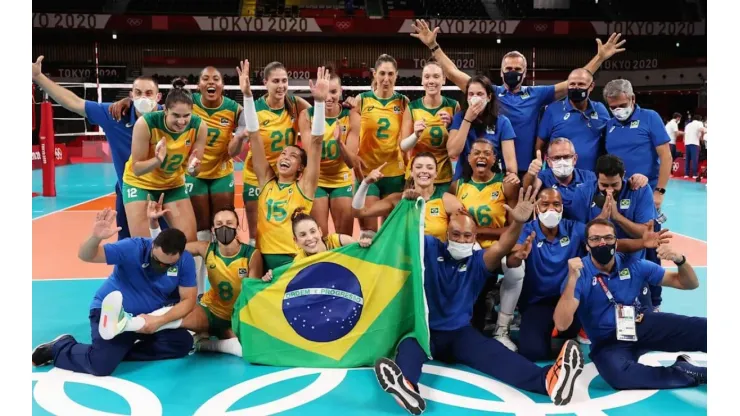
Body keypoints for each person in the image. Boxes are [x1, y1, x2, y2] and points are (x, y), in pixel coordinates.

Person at [373, 187, 586, 416]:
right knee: (408, 346)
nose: (461, 240)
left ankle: (548, 382)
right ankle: (406, 387)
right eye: (456, 234)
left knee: (497, 355)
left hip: (460, 335)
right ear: (446, 234)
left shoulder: (478, 261)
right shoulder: (430, 247)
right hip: (426, 332)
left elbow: (503, 246)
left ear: (474, 239)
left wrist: (517, 224)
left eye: (467, 236)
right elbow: (401, 236)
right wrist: (406, 208)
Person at [410, 19, 626, 178]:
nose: (513, 72)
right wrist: (433, 46)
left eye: (517, 69)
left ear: (524, 72)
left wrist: (600, 58)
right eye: (508, 68)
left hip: (522, 168)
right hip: (486, 168)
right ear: (502, 72)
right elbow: (454, 72)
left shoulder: (537, 94)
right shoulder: (487, 93)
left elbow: (575, 82)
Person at [503, 188, 671, 360]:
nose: (551, 210)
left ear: (562, 207)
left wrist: (642, 243)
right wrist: (518, 256)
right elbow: (511, 260)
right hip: (538, 302)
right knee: (533, 352)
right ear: (537, 207)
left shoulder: (572, 228)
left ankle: (580, 330)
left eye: (556, 204)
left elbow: (613, 243)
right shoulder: (526, 231)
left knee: (579, 333)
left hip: (574, 299)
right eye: (545, 205)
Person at [31, 208, 196, 376]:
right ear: (153, 245)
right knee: (100, 365)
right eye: (157, 261)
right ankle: (61, 346)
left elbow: (188, 300)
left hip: (145, 320)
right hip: (111, 315)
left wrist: (159, 320)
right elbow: (86, 255)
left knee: (182, 343)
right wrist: (95, 238)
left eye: (167, 265)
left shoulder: (186, 261)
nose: (161, 267)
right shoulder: (132, 248)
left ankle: (116, 352)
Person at [554, 219, 706, 390]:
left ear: (616, 243)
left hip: (641, 324)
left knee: (702, 328)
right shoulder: (579, 274)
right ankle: (686, 373)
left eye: (608, 238)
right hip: (607, 342)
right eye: (595, 239)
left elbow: (689, 283)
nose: (602, 243)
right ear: (587, 245)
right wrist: (572, 280)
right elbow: (561, 323)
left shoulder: (633, 265)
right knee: (619, 376)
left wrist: (680, 261)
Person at [31, 56, 166, 239]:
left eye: (149, 93)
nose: (143, 97)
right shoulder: (114, 115)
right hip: (129, 191)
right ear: (131, 95)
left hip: (164, 191)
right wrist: (38, 77)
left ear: (158, 97)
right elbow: (74, 102)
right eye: (138, 92)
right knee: (129, 248)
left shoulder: (172, 117)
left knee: (168, 245)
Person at [238, 60, 325, 271]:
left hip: (293, 261)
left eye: (293, 155)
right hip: (265, 263)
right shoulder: (266, 181)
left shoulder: (304, 188)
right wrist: (247, 96)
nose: (285, 156)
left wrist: (320, 103)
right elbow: (255, 136)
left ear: (301, 168)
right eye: (283, 153)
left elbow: (315, 142)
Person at [450, 138, 520, 348]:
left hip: (497, 248)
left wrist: (477, 230)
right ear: (469, 159)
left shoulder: (505, 186)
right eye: (476, 153)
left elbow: (513, 226)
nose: (481, 156)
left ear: (494, 159)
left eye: (487, 153)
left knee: (518, 270)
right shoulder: (458, 186)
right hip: (468, 248)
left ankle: (502, 327)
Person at [121, 77, 207, 244]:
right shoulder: (146, 123)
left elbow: (196, 169)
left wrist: (192, 169)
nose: (182, 121)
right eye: (176, 115)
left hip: (172, 185)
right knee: (144, 245)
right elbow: (137, 169)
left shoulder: (199, 126)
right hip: (139, 184)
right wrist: (157, 160)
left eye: (186, 116)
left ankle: (183, 271)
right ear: (165, 110)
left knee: (188, 242)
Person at [346, 54, 409, 232]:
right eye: (382, 73)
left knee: (391, 233)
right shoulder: (361, 100)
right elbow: (352, 133)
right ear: (374, 74)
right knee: (369, 234)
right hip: (369, 173)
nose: (386, 79)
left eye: (390, 74)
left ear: (396, 75)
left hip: (395, 173)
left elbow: (407, 139)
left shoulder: (403, 102)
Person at [523, 138, 648, 221]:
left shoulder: (590, 177)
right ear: (549, 161)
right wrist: (531, 174)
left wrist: (638, 178)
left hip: (582, 227)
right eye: (556, 158)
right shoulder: (544, 176)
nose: (562, 161)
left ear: (575, 159)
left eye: (566, 156)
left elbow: (613, 180)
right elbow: (529, 188)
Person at [352, 153, 464, 242]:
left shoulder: (447, 201)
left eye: (429, 168)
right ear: (411, 172)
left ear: (436, 173)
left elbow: (466, 229)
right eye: (419, 167)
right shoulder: (397, 200)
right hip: (405, 263)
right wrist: (365, 183)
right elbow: (360, 212)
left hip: (435, 263)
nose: (424, 171)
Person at [299, 67, 356, 236]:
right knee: (319, 236)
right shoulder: (306, 115)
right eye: (324, 91)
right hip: (317, 180)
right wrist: (318, 104)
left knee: (344, 237)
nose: (329, 97)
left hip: (342, 180)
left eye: (333, 91)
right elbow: (311, 154)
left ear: (341, 92)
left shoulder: (351, 116)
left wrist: (340, 143)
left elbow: (351, 162)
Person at [399, 61, 460, 194]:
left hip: (444, 176)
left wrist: (451, 127)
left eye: (436, 76)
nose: (431, 81)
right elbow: (403, 146)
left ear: (443, 79)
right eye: (427, 77)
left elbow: (457, 148)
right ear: (422, 81)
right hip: (417, 175)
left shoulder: (454, 106)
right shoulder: (412, 108)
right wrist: (415, 135)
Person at [535, 68, 610, 171]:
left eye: (581, 84)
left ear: (591, 86)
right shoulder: (553, 110)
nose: (576, 88)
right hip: (557, 178)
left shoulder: (600, 110)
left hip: (590, 178)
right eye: (572, 84)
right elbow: (540, 144)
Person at [447, 75, 518, 180]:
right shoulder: (459, 118)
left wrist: (512, 176)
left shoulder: (502, 122)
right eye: (471, 94)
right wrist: (467, 120)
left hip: (492, 181)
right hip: (463, 180)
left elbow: (511, 165)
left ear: (489, 97)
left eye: (480, 94)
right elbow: (453, 152)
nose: (475, 98)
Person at [291, 208, 375, 261]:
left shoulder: (339, 242)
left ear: (320, 232)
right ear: (296, 240)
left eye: (313, 231)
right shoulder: (298, 262)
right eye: (303, 235)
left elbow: (363, 254)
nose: (309, 238)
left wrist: (364, 244)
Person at [683, 114, 706, 179]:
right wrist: (705, 131)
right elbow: (702, 129)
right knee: (694, 159)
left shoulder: (688, 125)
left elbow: (684, 134)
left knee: (687, 159)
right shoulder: (699, 123)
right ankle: (694, 174)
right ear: (699, 119)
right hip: (694, 143)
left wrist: (685, 142)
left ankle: (686, 174)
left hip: (687, 143)